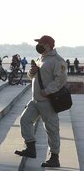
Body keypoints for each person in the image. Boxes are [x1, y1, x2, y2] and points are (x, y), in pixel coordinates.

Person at [15, 35, 67, 168]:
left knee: (52, 130)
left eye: (41, 43)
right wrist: (31, 73)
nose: (38, 45)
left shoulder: (57, 60)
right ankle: (30, 148)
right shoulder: (40, 59)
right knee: (24, 120)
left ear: (48, 45)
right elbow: (34, 76)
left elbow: (60, 79)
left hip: (48, 101)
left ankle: (54, 157)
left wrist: (48, 90)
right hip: (35, 101)